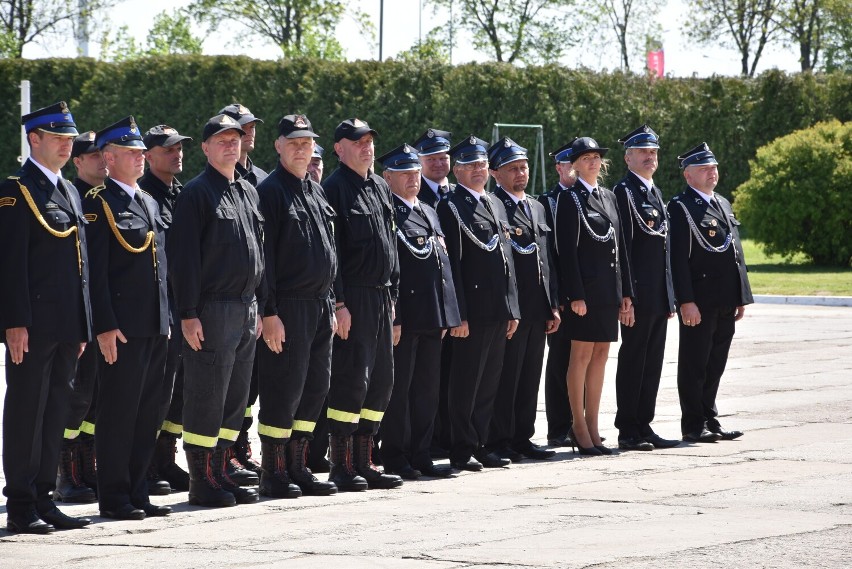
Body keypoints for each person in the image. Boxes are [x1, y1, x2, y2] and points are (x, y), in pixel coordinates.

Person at [1, 102, 93, 534]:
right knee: (27, 410)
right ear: (33, 139)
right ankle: (20, 503)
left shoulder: (70, 192)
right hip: (33, 325)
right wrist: (13, 321)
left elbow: (81, 264)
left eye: (68, 137)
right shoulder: (15, 190)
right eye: (56, 137)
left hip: (66, 324)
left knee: (56, 409)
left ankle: (45, 496)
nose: (65, 144)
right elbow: (10, 263)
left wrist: (83, 324)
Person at [167, 113, 265, 507]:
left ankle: (221, 469)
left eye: (236, 139)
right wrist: (188, 313)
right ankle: (201, 479)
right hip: (212, 309)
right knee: (207, 394)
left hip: (245, 307)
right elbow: (184, 260)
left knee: (235, 397)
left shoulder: (246, 191)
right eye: (221, 139)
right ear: (205, 148)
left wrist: (260, 307)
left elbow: (260, 252)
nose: (231, 145)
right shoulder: (196, 194)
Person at [84, 116, 171, 520]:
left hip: (154, 325)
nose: (139, 159)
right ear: (109, 157)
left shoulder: (148, 201)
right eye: (131, 153)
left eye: (141, 152)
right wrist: (103, 324)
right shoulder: (99, 205)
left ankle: (138, 490)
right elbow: (95, 273)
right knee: (118, 413)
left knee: (148, 413)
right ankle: (114, 496)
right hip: (122, 329)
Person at [255, 114, 339, 499]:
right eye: (294, 143)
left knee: (315, 388)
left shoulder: (315, 190)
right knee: (283, 389)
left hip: (320, 305)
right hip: (288, 307)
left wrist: (334, 301)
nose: (302, 150)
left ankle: (298, 465)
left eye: (307, 144)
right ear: (278, 146)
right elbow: (265, 260)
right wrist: (268, 312)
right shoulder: (270, 192)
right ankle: (273, 472)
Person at [322, 118, 403, 491]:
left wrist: (394, 298)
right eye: (358, 142)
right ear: (339, 148)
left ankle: (365, 459)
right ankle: (342, 463)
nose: (367, 147)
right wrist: (339, 302)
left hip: (381, 296)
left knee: (381, 382)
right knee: (352, 381)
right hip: (352, 297)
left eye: (370, 140)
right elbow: (332, 254)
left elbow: (391, 245)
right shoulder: (334, 189)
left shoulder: (380, 188)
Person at [436, 135, 520, 471]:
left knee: (489, 382)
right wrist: (459, 314)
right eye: (470, 164)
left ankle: (482, 442)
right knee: (465, 383)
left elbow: (507, 260)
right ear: (457, 170)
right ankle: (461, 447)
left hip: (498, 308)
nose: (477, 170)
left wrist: (512, 306)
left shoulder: (496, 203)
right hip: (472, 310)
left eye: (482, 164)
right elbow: (452, 264)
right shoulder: (450, 205)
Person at [377, 143, 460, 479]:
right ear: (388, 177)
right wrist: (394, 316)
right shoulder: (388, 213)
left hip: (430, 315)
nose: (413, 179)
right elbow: (389, 268)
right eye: (405, 173)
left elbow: (443, 267)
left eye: (415, 172)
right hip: (405, 316)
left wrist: (447, 315)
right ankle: (396, 456)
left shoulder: (427, 211)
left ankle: (421, 453)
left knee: (427, 389)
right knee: (401, 390)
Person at [667, 143, 753, 443]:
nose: (711, 173)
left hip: (726, 298)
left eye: (713, 167)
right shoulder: (680, 207)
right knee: (695, 363)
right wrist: (686, 301)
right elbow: (677, 260)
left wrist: (741, 296)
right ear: (688, 176)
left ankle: (709, 418)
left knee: (716, 362)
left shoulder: (723, 203)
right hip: (700, 300)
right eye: (704, 168)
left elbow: (735, 253)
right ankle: (693, 424)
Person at [554, 136, 633, 456]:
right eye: (585, 158)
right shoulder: (569, 199)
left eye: (596, 157)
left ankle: (594, 425)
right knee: (581, 357)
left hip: (607, 291)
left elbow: (621, 247)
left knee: (601, 356)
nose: (593, 162)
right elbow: (566, 252)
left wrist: (626, 292)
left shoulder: (609, 197)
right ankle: (578, 425)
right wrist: (575, 294)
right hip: (583, 294)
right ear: (573, 164)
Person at [487, 137, 559, 462]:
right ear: (495, 173)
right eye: (512, 168)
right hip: (511, 308)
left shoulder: (537, 206)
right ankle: (500, 439)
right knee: (507, 377)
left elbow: (548, 260)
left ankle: (523, 437)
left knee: (530, 375)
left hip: (537, 306)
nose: (520, 173)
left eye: (523, 167)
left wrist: (552, 304)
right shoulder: (494, 206)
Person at [612, 125, 680, 451]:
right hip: (638, 295)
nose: (649, 157)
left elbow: (663, 251)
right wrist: (626, 296)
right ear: (628, 158)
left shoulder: (654, 192)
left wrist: (669, 296)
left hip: (656, 295)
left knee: (652, 362)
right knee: (634, 360)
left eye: (653, 152)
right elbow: (623, 247)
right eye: (642, 152)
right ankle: (628, 429)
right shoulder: (624, 193)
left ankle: (645, 424)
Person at [138, 125, 194, 492]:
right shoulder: (143, 195)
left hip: (187, 302)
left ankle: (164, 457)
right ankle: (144, 465)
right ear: (148, 155)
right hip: (159, 305)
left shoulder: (184, 195)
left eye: (180, 148)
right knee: (157, 389)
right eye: (168, 149)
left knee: (183, 390)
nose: (177, 154)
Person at [54, 131, 107, 504]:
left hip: (104, 313)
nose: (102, 160)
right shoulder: (76, 198)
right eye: (93, 155)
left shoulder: (106, 199)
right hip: (79, 314)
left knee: (95, 398)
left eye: (105, 154)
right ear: (78, 162)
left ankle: (86, 466)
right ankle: (65, 473)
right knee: (76, 396)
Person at [219, 102, 267, 479]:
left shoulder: (261, 181)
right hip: (224, 301)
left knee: (248, 385)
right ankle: (223, 455)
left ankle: (240, 445)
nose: (246, 132)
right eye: (238, 127)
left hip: (256, 299)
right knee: (224, 383)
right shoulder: (215, 180)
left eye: (249, 126)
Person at [412, 128, 455, 458]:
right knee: (424, 380)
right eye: (432, 158)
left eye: (444, 157)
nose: (440, 163)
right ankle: (422, 442)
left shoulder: (456, 195)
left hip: (453, 304)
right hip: (424, 304)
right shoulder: (415, 196)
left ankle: (444, 437)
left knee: (451, 378)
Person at [538, 142, 575, 448]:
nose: (575, 168)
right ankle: (559, 428)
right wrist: (555, 298)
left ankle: (582, 424)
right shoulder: (547, 202)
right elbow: (547, 257)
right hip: (562, 296)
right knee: (560, 361)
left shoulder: (592, 198)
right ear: (559, 168)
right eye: (569, 164)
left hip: (588, 297)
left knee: (585, 362)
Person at [414, 128, 454, 208]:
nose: (438, 164)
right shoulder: (413, 196)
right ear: (419, 162)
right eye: (431, 159)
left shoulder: (461, 193)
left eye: (443, 158)